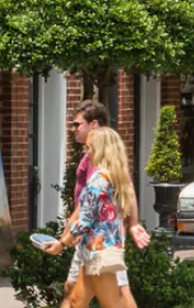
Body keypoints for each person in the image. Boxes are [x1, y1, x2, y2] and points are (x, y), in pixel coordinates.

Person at [60, 101, 151, 308]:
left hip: (99, 243)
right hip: (96, 241)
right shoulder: (104, 162)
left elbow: (87, 209)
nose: (72, 129)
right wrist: (134, 222)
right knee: (74, 294)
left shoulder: (98, 167)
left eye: (77, 124)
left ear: (93, 124)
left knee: (118, 295)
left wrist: (65, 238)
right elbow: (128, 188)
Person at [45, 127, 134, 308]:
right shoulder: (114, 177)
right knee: (75, 302)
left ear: (101, 149)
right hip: (94, 250)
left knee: (112, 304)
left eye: (90, 148)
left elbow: (86, 219)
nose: (87, 152)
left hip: (98, 253)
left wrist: (61, 244)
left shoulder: (99, 180)